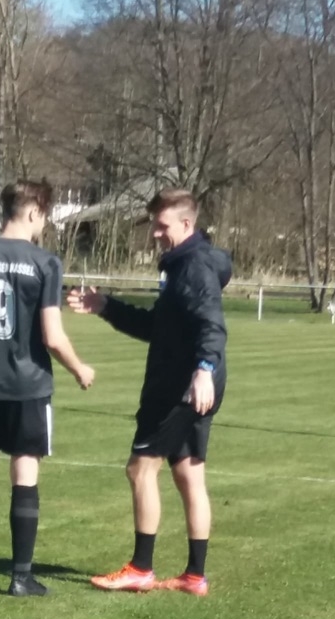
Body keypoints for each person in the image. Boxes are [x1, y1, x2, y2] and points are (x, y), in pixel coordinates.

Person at [67, 188, 231, 596]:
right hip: (195, 383)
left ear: (187, 224)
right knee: (189, 473)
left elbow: (212, 325)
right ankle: (194, 576)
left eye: (162, 226)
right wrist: (107, 306)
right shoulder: (184, 265)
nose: (155, 233)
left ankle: (140, 568)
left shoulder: (193, 267)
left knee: (140, 469)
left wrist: (204, 369)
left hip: (180, 387)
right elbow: (156, 328)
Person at [0, 178, 95, 596]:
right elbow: (52, 336)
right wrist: (79, 369)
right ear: (34, 212)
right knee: (25, 471)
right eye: (44, 217)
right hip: (29, 385)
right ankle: (20, 577)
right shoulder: (44, 262)